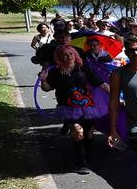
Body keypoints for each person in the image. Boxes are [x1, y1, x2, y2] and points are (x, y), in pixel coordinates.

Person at [40, 45, 108, 174]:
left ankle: (86, 154)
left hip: (88, 106)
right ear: (60, 58)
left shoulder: (83, 69)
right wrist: (43, 80)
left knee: (88, 134)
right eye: (65, 55)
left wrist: (117, 97)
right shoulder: (55, 72)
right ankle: (81, 162)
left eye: (71, 54)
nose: (69, 57)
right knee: (78, 131)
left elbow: (100, 83)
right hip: (68, 107)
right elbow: (47, 88)